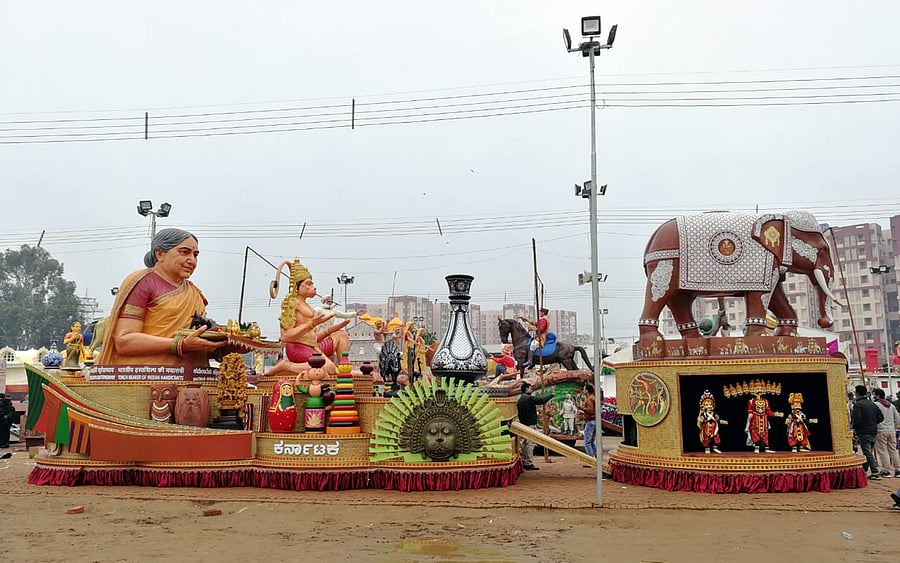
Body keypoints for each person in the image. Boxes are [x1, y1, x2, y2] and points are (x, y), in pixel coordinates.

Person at [97, 228, 227, 366]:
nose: (192, 261)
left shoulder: (194, 293)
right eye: (184, 252)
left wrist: (223, 346)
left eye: (195, 255)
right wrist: (179, 344)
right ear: (160, 254)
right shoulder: (144, 283)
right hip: (146, 374)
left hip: (191, 375)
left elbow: (195, 345)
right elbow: (124, 341)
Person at [267, 258, 351, 375]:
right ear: (296, 287)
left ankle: (344, 370)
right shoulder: (292, 303)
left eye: (312, 283)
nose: (313, 287)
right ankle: (286, 365)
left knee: (342, 334)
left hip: (313, 346)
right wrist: (311, 324)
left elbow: (313, 337)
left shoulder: (308, 307)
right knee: (328, 367)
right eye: (308, 284)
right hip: (298, 348)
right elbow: (285, 336)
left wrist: (334, 328)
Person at [516, 381, 553, 470]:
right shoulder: (529, 398)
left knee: (525, 443)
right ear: (526, 389)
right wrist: (551, 395)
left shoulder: (520, 399)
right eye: (530, 388)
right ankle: (528, 462)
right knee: (530, 443)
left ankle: (524, 461)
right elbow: (541, 401)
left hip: (523, 424)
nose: (531, 390)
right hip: (530, 424)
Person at [852, 385, 884, 480]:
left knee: (867, 452)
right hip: (873, 430)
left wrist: (855, 428)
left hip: (864, 431)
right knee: (868, 451)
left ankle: (875, 471)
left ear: (857, 393)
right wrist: (873, 422)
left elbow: (857, 419)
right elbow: (881, 417)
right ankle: (864, 469)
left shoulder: (858, 405)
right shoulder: (872, 404)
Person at [872, 388, 900, 478]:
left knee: (883, 451)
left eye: (874, 395)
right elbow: (897, 418)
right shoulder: (891, 405)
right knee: (893, 450)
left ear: (878, 396)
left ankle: (886, 470)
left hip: (881, 430)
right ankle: (898, 470)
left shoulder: (875, 405)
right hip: (891, 430)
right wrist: (894, 426)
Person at [581, 384, 597, 459]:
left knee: (587, 442)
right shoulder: (593, 397)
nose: (583, 390)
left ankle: (590, 459)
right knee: (591, 441)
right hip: (594, 421)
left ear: (587, 390)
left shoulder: (589, 399)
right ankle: (596, 457)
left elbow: (590, 410)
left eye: (584, 389)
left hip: (590, 421)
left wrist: (581, 408)